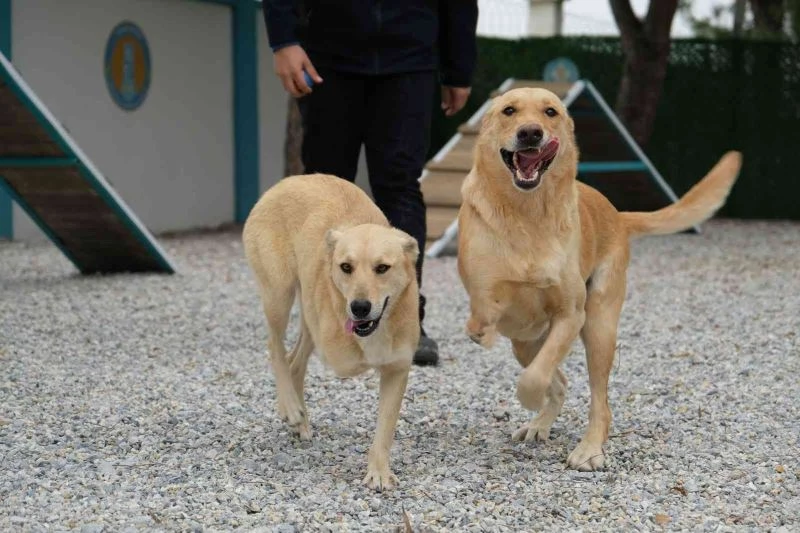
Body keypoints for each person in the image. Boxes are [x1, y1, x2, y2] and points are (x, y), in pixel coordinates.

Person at [263, 0, 479, 366]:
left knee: (400, 186)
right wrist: (283, 40)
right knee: (325, 187)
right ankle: (327, 316)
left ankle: (408, 319)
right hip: (328, 54)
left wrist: (459, 67)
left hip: (410, 57)